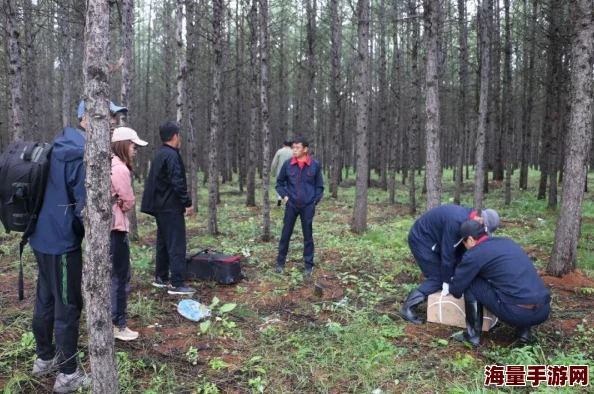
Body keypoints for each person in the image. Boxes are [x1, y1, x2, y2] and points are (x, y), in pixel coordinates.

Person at [28, 100, 127, 392]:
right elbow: (86, 209)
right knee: (68, 306)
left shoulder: (63, 143)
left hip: (41, 237)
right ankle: (67, 375)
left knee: (45, 300)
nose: (112, 122)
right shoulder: (83, 153)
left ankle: (44, 358)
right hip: (61, 243)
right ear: (86, 118)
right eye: (106, 116)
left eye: (113, 117)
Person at [449, 220, 551, 347]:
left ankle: (472, 337)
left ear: (470, 239)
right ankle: (524, 334)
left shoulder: (474, 254)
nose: (465, 248)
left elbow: (456, 289)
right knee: (519, 286)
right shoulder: (507, 243)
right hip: (544, 310)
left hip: (517, 313)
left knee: (471, 282)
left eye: (464, 244)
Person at [399, 205, 500, 325]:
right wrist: (446, 281)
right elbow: (448, 255)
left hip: (438, 239)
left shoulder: (468, 221)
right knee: (438, 277)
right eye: (483, 228)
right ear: (480, 220)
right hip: (422, 239)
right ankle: (407, 307)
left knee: (456, 263)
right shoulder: (455, 221)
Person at [141, 122, 195, 295]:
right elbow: (176, 180)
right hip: (170, 206)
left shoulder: (160, 154)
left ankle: (161, 277)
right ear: (174, 136)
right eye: (178, 135)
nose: (179, 138)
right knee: (176, 244)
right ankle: (177, 283)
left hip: (160, 206)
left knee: (164, 243)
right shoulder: (171, 155)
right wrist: (187, 202)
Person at [110, 127, 148, 341]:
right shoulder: (120, 169)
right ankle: (118, 323)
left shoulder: (109, 165)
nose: (135, 151)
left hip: (109, 230)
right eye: (134, 146)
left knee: (114, 276)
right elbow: (128, 202)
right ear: (124, 145)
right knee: (120, 275)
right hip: (116, 229)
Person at [274, 137, 324, 276]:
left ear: (305, 149)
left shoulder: (314, 165)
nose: (294, 150)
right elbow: (279, 183)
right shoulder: (287, 164)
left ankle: (308, 265)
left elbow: (319, 186)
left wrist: (314, 201)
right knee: (286, 233)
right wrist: (285, 197)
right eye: (293, 148)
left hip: (307, 205)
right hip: (291, 204)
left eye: (297, 148)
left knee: (307, 235)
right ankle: (280, 262)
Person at [270, 140, 294, 206]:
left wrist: (273, 172)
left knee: (279, 185)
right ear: (291, 145)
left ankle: (279, 198)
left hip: (280, 172)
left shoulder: (279, 151)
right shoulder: (293, 152)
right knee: (289, 186)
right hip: (291, 172)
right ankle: (288, 199)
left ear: (283, 144)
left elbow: (274, 163)